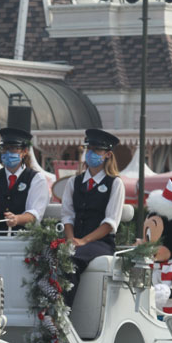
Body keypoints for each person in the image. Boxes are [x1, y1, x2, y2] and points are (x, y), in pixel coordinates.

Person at [60, 128, 125, 305]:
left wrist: (84, 241)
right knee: (48, 256)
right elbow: (67, 215)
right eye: (89, 149)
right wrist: (71, 239)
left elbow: (110, 222)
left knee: (72, 259)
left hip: (100, 243)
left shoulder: (115, 183)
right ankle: (44, 309)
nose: (91, 154)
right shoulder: (74, 182)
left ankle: (62, 313)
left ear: (108, 155)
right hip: (75, 240)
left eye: (97, 150)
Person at [0, 123, 49, 232]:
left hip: (24, 239)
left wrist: (17, 219)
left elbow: (35, 213)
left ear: (25, 151)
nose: (8, 153)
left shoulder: (37, 180)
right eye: (4, 148)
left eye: (13, 148)